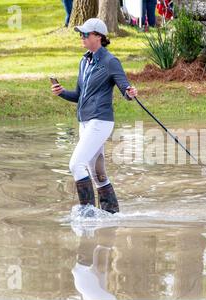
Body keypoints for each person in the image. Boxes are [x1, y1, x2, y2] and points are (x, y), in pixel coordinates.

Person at [51, 18, 137, 214]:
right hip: (85, 122)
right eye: (81, 34)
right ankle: (111, 213)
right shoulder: (84, 61)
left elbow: (125, 88)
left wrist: (130, 93)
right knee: (96, 172)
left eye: (85, 34)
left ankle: (87, 214)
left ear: (98, 37)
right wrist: (62, 92)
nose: (81, 37)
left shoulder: (110, 61)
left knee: (75, 164)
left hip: (100, 121)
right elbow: (79, 95)